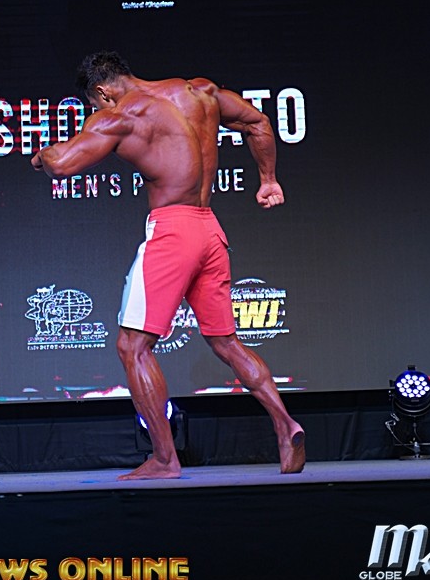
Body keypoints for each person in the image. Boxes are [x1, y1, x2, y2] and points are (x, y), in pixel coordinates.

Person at [31, 51, 305, 479]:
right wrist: (268, 180)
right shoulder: (200, 92)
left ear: (102, 91)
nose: (96, 110)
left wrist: (42, 155)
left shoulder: (122, 114)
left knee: (132, 346)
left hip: (173, 232)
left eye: (93, 103)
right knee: (227, 343)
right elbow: (258, 123)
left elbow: (63, 164)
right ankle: (286, 425)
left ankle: (163, 458)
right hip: (210, 230)